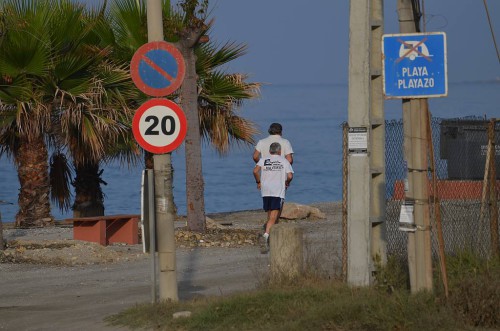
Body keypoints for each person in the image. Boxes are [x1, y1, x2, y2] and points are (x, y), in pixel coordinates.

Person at [253, 142, 294, 253]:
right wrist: (287, 182)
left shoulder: (264, 159)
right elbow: (290, 175)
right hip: (277, 191)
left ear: (270, 151)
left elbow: (255, 171)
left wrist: (258, 181)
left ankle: (270, 237)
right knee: (274, 216)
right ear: (280, 151)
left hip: (265, 190)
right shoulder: (284, 161)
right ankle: (266, 236)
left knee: (270, 214)